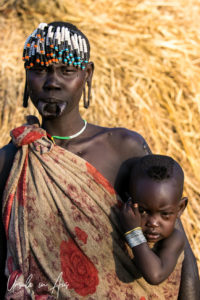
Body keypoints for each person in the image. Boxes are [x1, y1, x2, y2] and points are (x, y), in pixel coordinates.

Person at [0, 21, 199, 299]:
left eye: (67, 70)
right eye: (40, 70)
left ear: (87, 74)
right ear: (26, 75)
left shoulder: (123, 149)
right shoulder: (13, 162)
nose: (52, 82)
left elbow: (180, 253)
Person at [120, 154, 187, 286]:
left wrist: (133, 233)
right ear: (128, 203)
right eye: (142, 211)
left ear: (180, 208)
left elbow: (156, 275)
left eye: (165, 214)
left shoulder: (175, 239)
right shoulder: (120, 221)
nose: (153, 223)